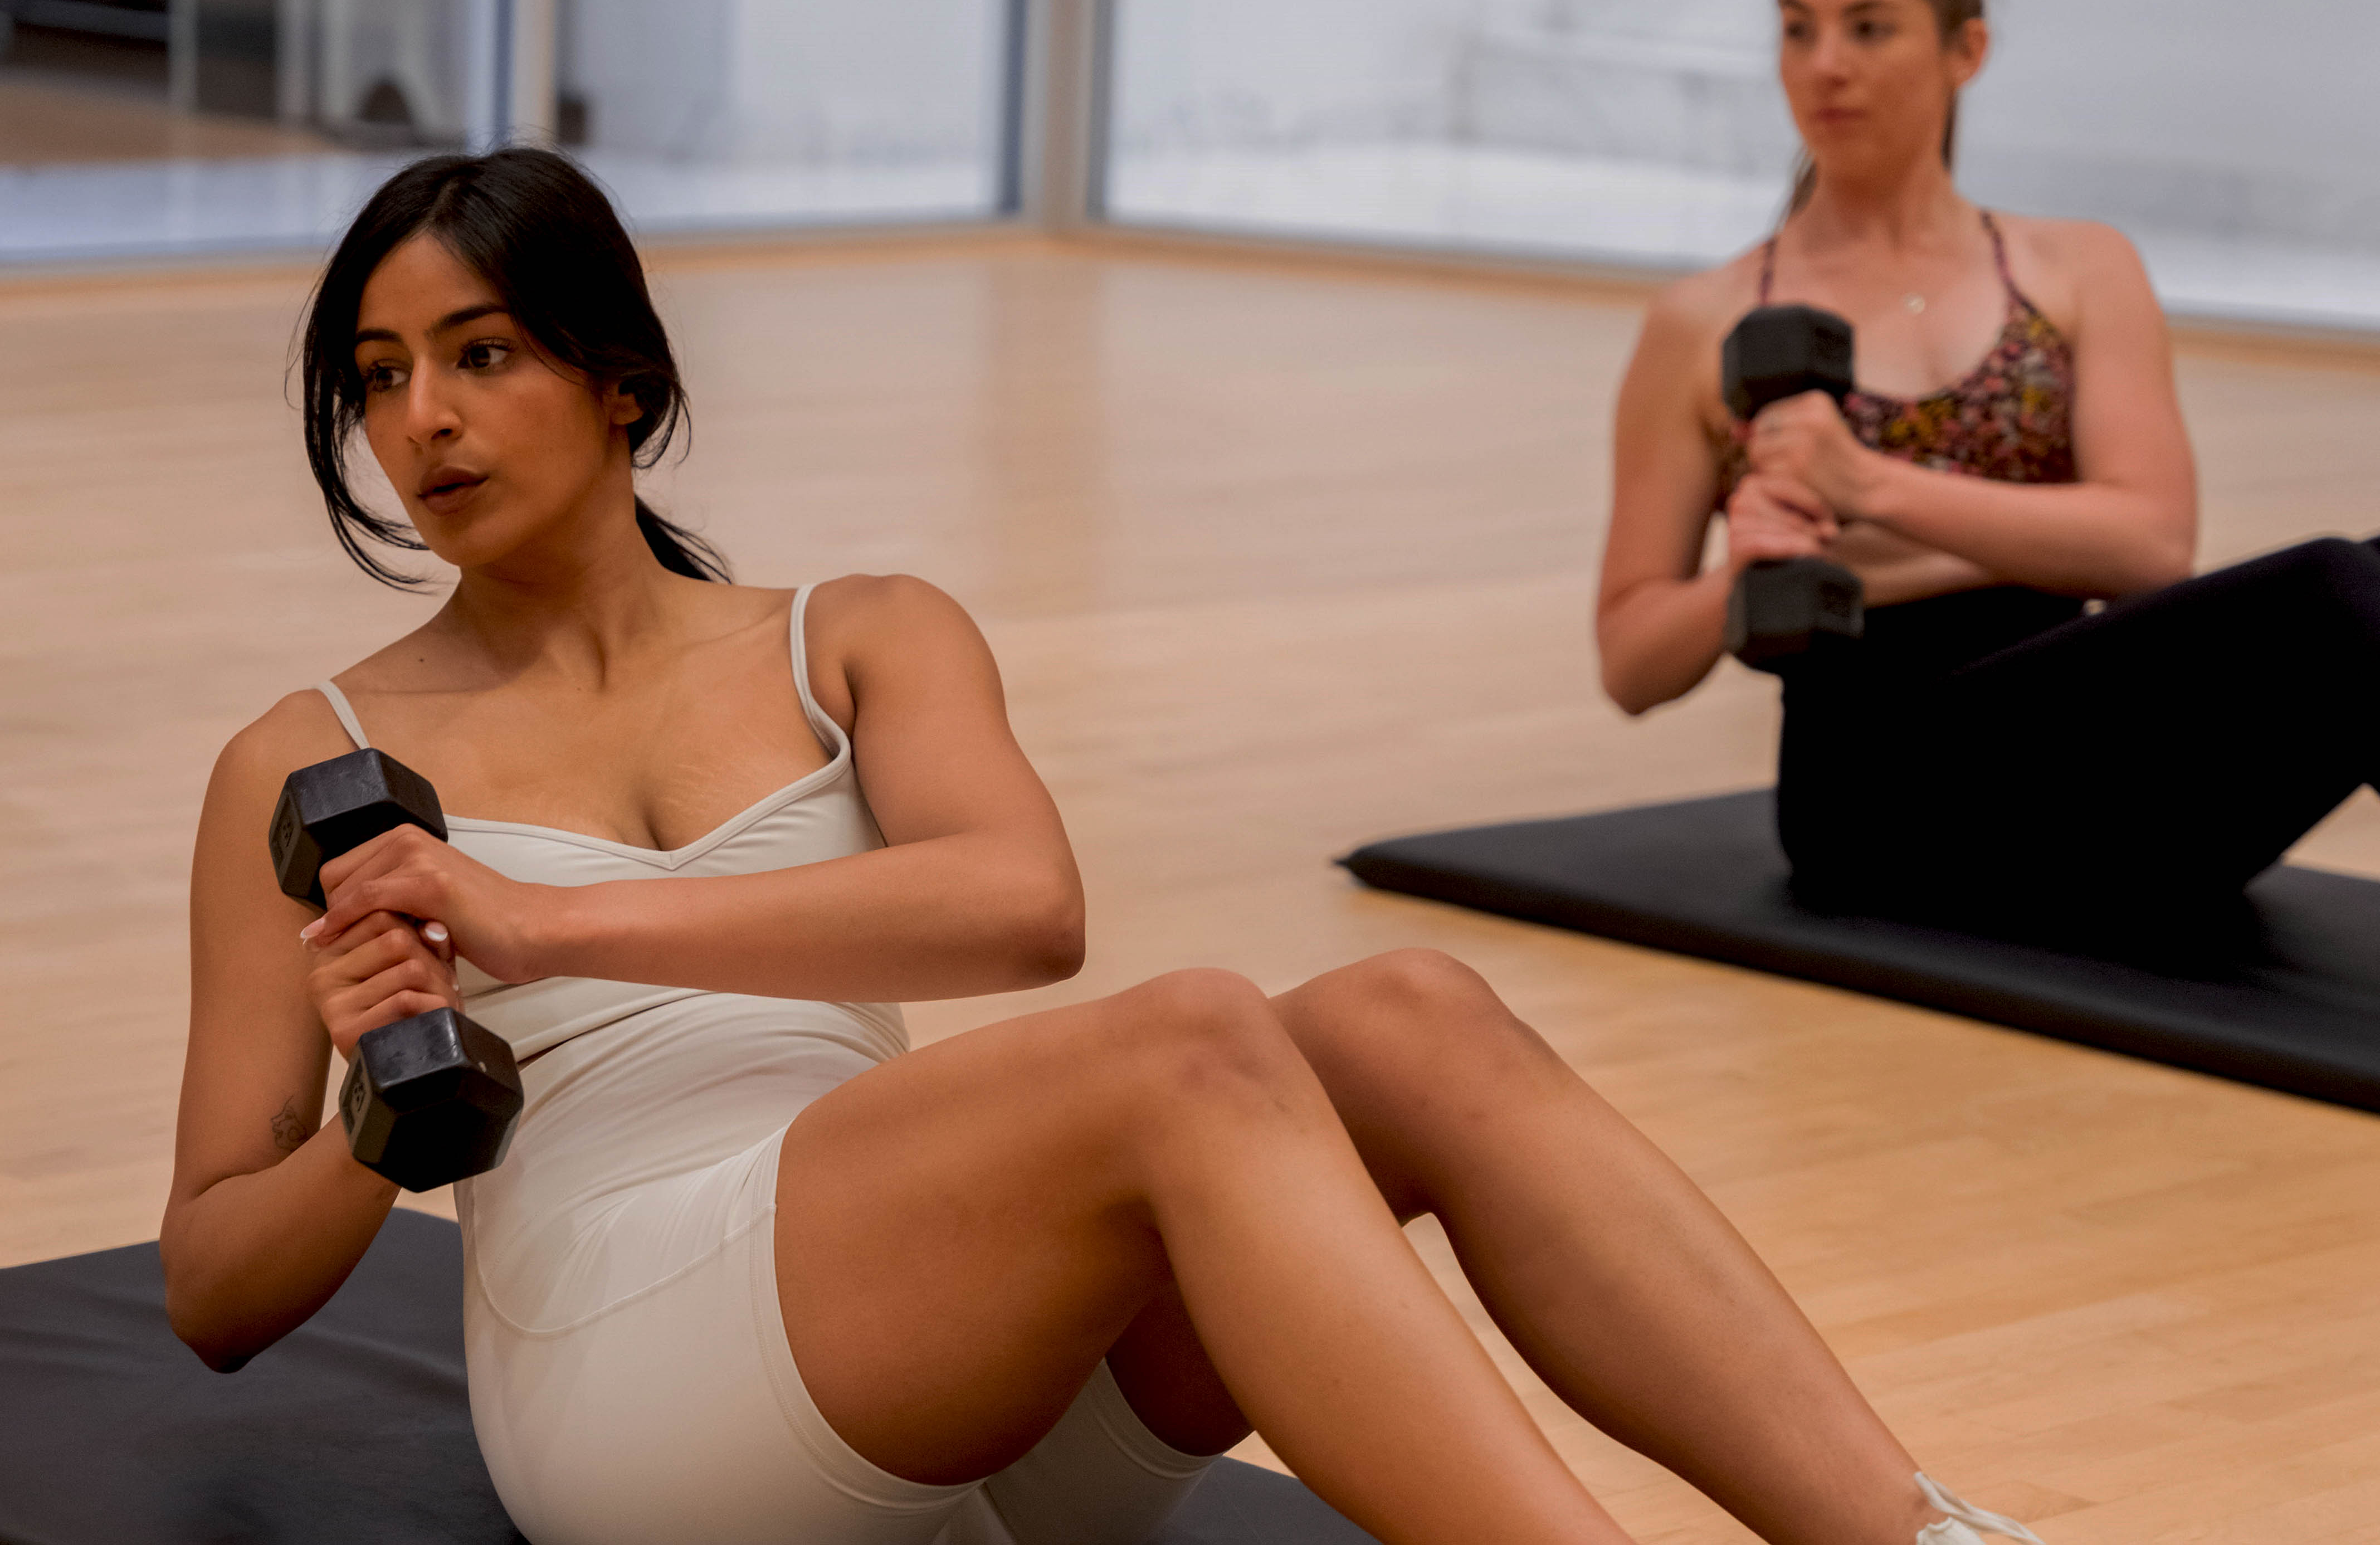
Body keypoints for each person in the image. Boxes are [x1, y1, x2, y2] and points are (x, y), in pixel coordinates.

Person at [163, 147, 2042, 1545]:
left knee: (1409, 1010)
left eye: (478, 354)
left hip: (964, 1389)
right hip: (646, 1402)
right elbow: (213, 1288)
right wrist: (370, 1132)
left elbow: (1020, 910)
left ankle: (1919, 1532)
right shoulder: (308, 753)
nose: (423, 421)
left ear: (620, 379)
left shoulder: (861, 630)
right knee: (1195, 1042)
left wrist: (544, 923)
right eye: (381, 374)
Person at [1598, 0, 2379, 943]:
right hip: (1884, 805)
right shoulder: (1707, 318)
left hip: (2101, 770)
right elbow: (1631, 662)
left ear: (1966, 48)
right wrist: (1740, 579)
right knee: (2333, 590)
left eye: (1868, 27)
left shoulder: (2078, 268)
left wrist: (1871, 493)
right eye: (1797, 27)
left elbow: (2150, 546)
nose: (1826, 63)